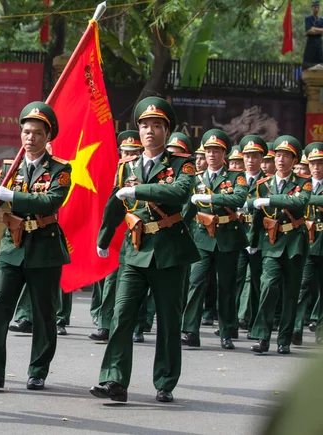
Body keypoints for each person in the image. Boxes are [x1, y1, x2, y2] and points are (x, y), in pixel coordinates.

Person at [90, 97, 199, 403]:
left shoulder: (181, 164)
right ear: (137, 130)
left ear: (167, 130)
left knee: (168, 319)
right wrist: (104, 237)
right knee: (122, 314)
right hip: (134, 251)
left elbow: (179, 194)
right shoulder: (127, 166)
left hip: (168, 251)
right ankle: (114, 380)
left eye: (156, 126)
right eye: (144, 126)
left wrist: (138, 190)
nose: (149, 131)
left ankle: (165, 381)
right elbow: (115, 203)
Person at [0, 102, 72, 391]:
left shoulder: (60, 169)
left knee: (43, 312)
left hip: (44, 247)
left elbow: (50, 201)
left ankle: (37, 370)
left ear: (47, 136)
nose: (30, 138)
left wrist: (13, 194)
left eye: (37, 133)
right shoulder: (9, 167)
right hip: (11, 247)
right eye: (26, 132)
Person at [181, 129, 248, 349]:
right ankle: (190, 330)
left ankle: (227, 331)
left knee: (226, 287)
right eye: (208, 150)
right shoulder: (196, 178)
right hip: (201, 237)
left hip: (227, 237)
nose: (211, 155)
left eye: (216, 150)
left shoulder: (235, 176)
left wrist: (210, 197)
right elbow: (188, 209)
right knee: (195, 282)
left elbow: (238, 198)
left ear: (224, 153)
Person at [249, 135, 311, 354]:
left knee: (291, 292)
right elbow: (257, 215)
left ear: (294, 160)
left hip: (294, 243)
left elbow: (299, 202)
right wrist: (253, 241)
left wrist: (271, 200)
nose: (282, 160)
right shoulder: (263, 184)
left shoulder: (304, 182)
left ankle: (284, 339)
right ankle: (262, 336)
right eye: (278, 155)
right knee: (268, 287)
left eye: (287, 156)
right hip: (271, 243)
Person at [89, 130, 143, 343]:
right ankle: (104, 325)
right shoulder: (114, 169)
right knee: (110, 280)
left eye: (133, 151)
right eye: (125, 151)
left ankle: (137, 326)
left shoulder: (143, 171)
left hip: (138, 231)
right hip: (114, 232)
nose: (129, 155)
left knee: (137, 283)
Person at [235, 135, 269, 336]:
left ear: (261, 158)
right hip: (238, 238)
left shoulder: (268, 183)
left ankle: (255, 326)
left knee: (258, 285)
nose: (250, 160)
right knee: (234, 282)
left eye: (255, 156)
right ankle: (231, 324)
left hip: (259, 240)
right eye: (247, 156)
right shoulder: (235, 179)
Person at [292, 142, 323, 345]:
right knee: (303, 286)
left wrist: (307, 200)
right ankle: (296, 328)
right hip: (308, 243)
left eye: (320, 163)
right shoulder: (302, 183)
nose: (317, 167)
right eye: (313, 163)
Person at [304, 0, 323, 69]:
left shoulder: (321, 20)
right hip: (310, 43)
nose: (316, 9)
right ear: (312, 8)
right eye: (315, 7)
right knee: (308, 63)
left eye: (318, 7)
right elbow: (308, 31)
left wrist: (314, 28)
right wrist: (319, 30)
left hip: (319, 43)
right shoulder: (308, 19)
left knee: (320, 62)